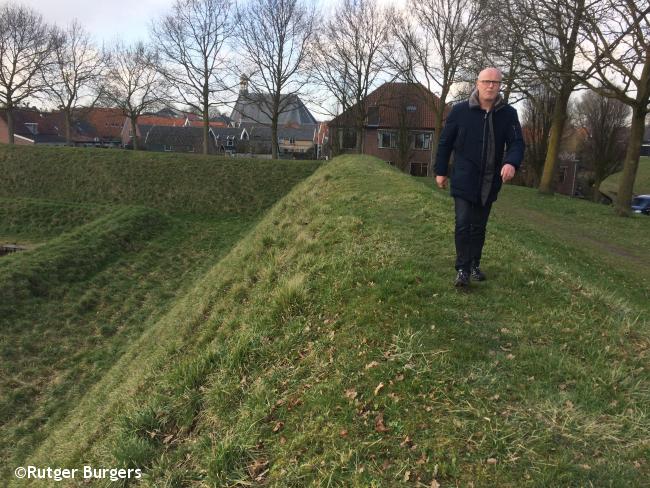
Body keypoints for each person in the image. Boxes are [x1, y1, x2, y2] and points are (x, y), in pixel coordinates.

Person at [434, 67, 525, 287]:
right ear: (477, 83)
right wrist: (441, 171)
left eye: (495, 82)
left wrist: (511, 162)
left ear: (500, 86)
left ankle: (474, 263)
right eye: (486, 81)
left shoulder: (508, 114)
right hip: (464, 177)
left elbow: (517, 143)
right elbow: (446, 142)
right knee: (464, 223)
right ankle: (462, 270)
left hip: (489, 181)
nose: (490, 85)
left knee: (479, 226)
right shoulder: (459, 111)